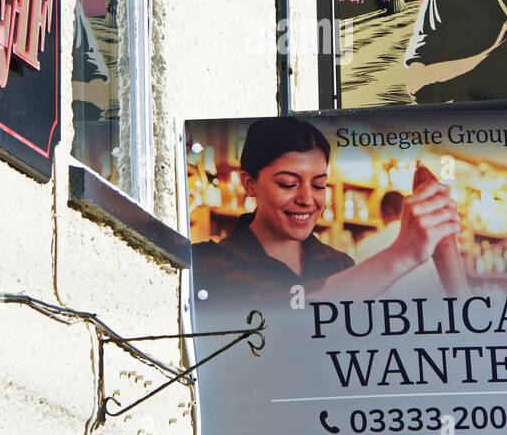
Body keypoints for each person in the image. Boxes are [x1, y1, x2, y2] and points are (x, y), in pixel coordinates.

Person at [192, 117, 460, 305]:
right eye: (288, 183)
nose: (307, 199)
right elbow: (279, 312)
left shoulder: (339, 264)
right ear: (249, 183)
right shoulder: (209, 262)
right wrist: (401, 254)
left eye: (319, 184)